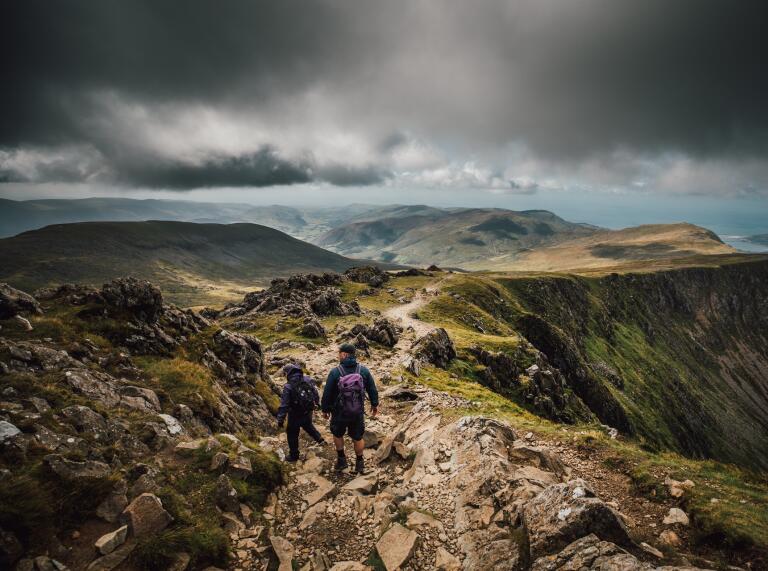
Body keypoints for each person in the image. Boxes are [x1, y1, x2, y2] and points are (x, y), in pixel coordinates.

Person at [321, 343, 379, 474]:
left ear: (344, 355)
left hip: (339, 412)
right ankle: (360, 463)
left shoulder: (335, 372)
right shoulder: (363, 370)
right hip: (357, 411)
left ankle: (342, 460)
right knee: (357, 437)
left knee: (337, 434)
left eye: (339, 353)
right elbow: (372, 389)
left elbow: (327, 393)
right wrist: (374, 404)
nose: (338, 356)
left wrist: (325, 409)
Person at [276, 363, 325, 462]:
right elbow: (315, 392)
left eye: (284, 374)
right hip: (308, 410)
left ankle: (294, 455)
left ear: (287, 373)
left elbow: (284, 405)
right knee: (308, 425)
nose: (284, 376)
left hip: (295, 413)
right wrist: (317, 403)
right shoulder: (307, 379)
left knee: (292, 433)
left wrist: (280, 420)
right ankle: (320, 439)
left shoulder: (288, 386)